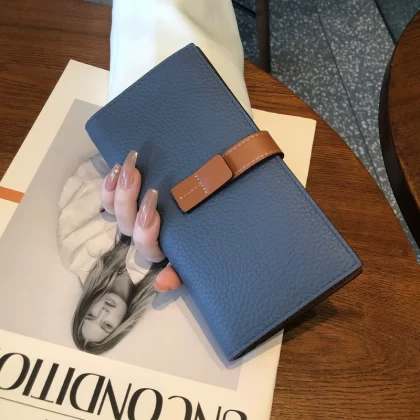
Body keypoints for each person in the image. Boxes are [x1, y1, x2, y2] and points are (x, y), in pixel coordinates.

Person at [57, 0, 254, 354]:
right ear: (121, 326)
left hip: (153, 122)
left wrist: (127, 171)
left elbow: (85, 179)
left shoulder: (79, 254)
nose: (103, 312)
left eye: (90, 315)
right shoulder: (157, 290)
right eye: (107, 325)